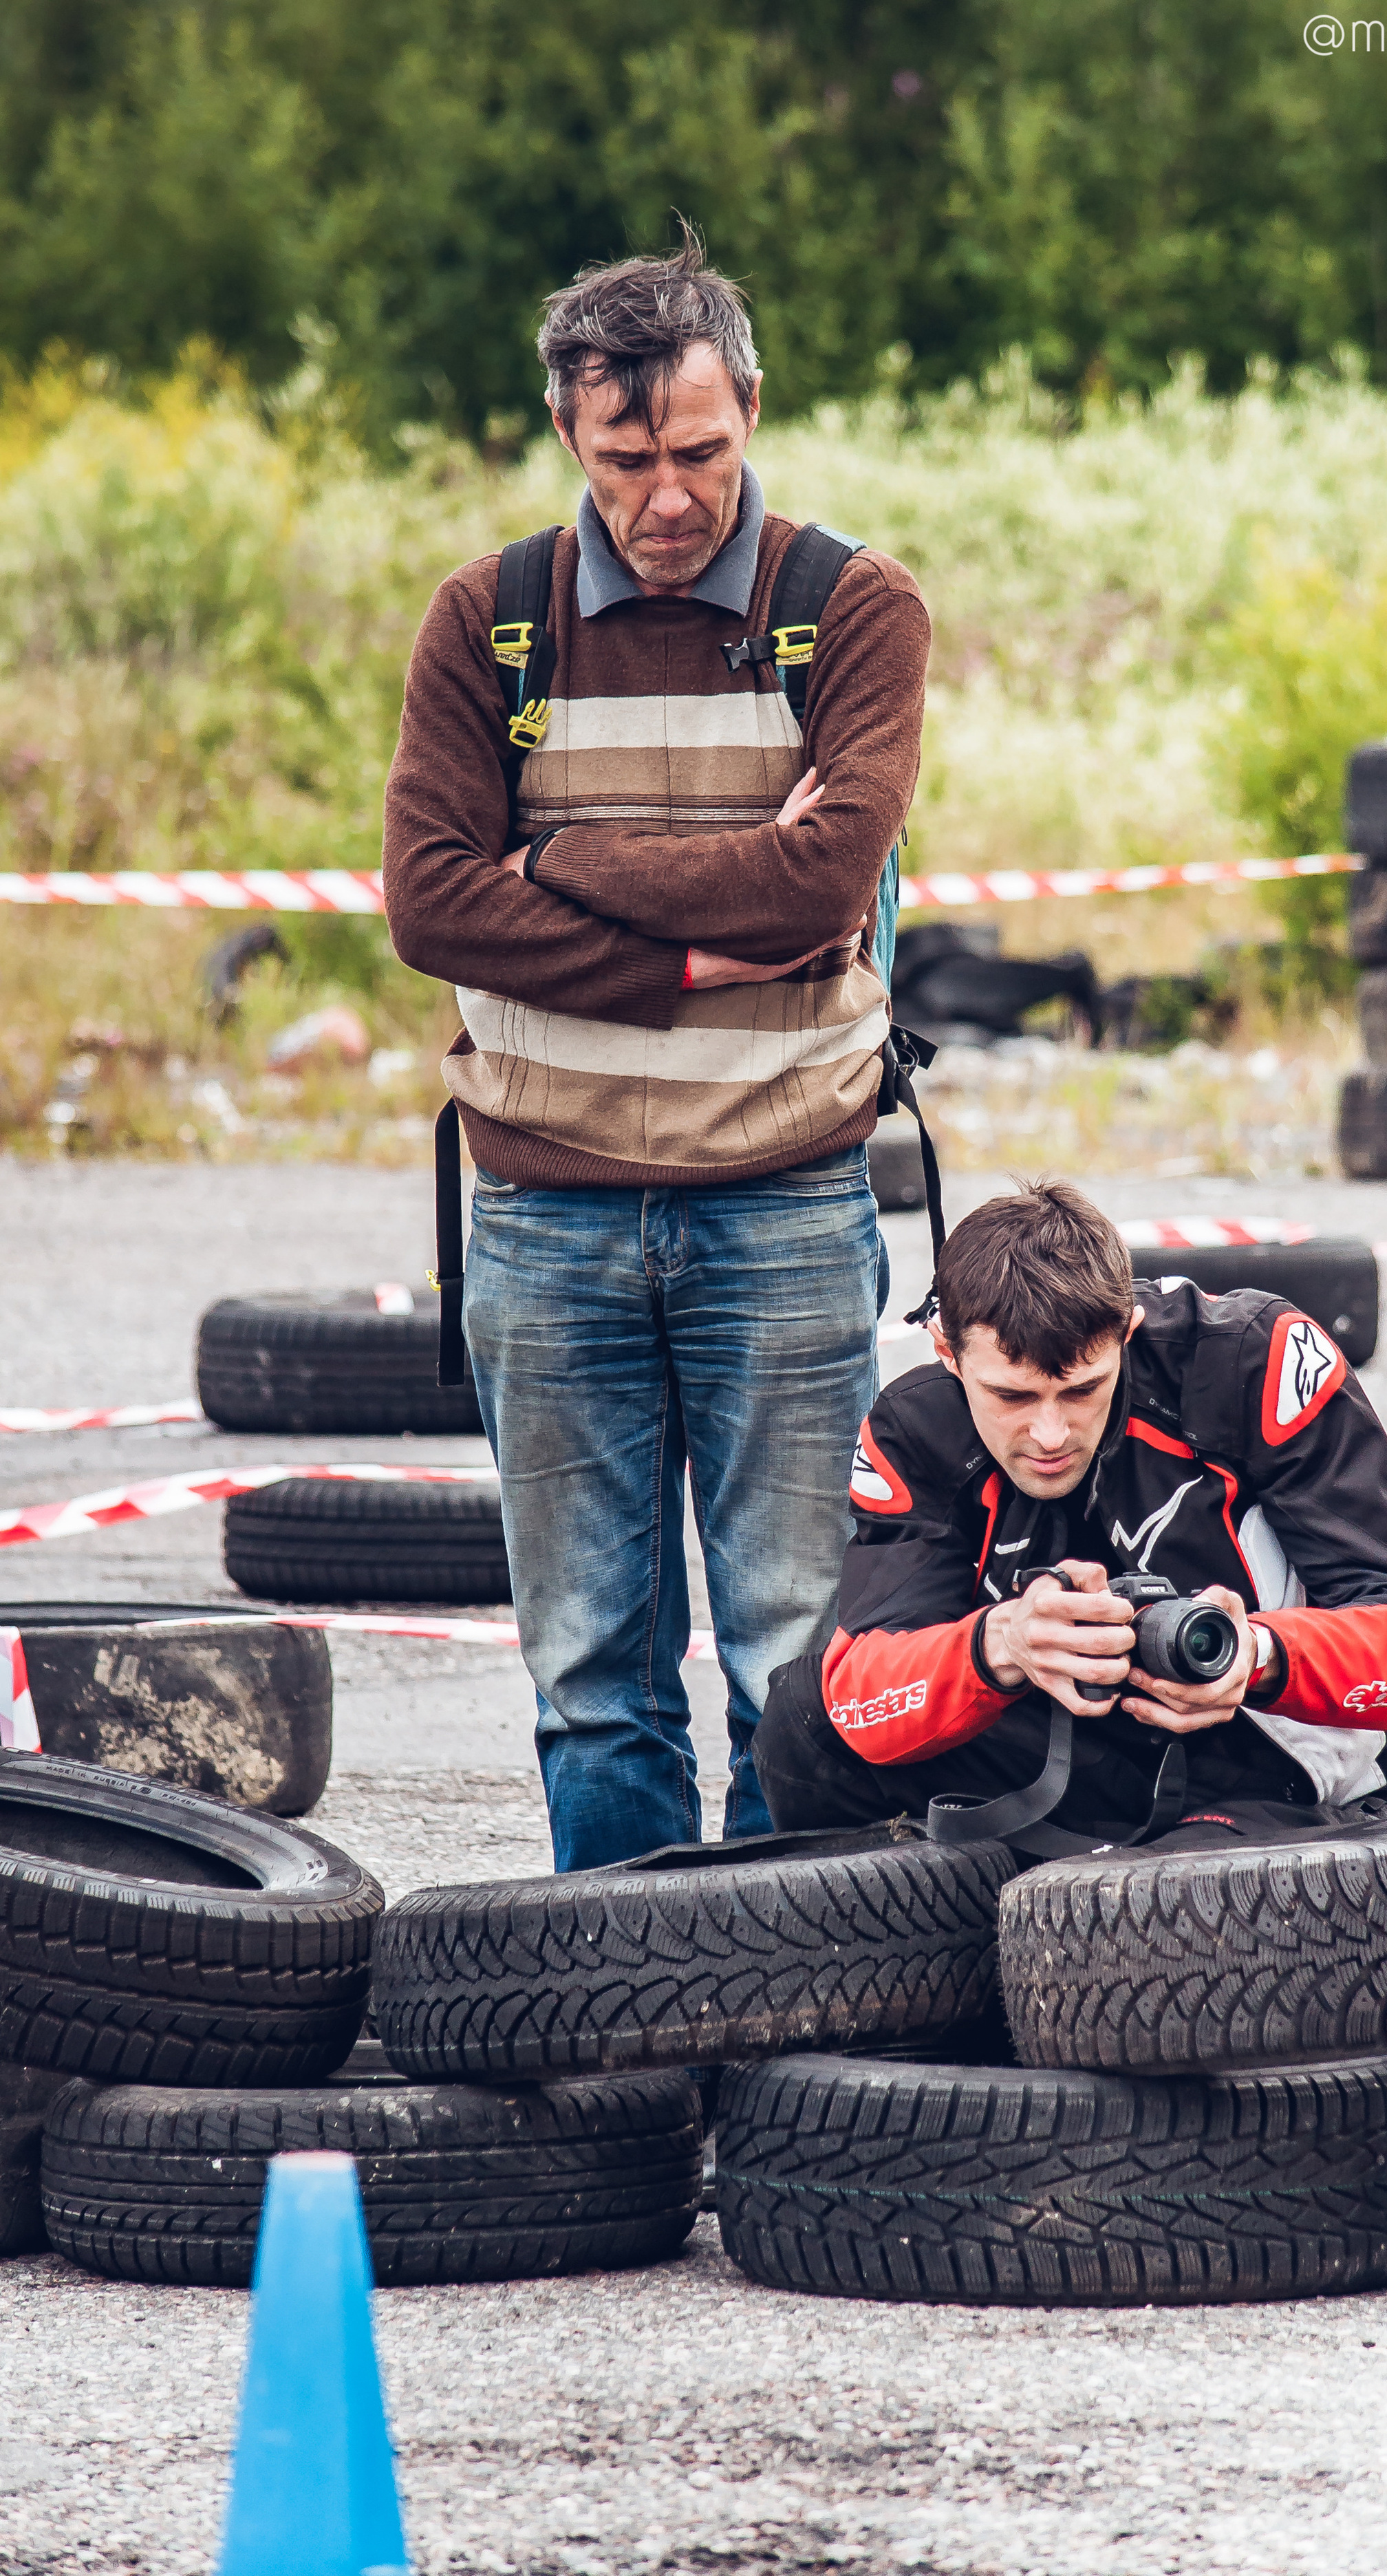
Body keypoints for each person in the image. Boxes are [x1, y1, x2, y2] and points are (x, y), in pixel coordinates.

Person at [382, 230, 930, 1871]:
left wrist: (553, 863)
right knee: (590, 1679)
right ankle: (621, 2014)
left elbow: (823, 878)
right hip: (542, 1220)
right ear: (567, 434)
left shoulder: (852, 607)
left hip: (782, 1204)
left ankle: (794, 2010)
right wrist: (698, 946)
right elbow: (428, 902)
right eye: (627, 459)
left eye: (698, 450)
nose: (667, 494)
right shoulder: (489, 622)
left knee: (794, 1660)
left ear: (749, 407)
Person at [754, 1179, 1387, 1847]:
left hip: (1287, 1752)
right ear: (948, 1351)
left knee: (1179, 1912)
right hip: (1090, 1750)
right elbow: (861, 1695)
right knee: (799, 1725)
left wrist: (1258, 1652)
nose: (1048, 1434)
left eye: (1081, 1390)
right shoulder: (913, 1430)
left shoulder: (1254, 1362)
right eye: (1011, 1396)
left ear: (1126, 1332)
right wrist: (999, 1645)